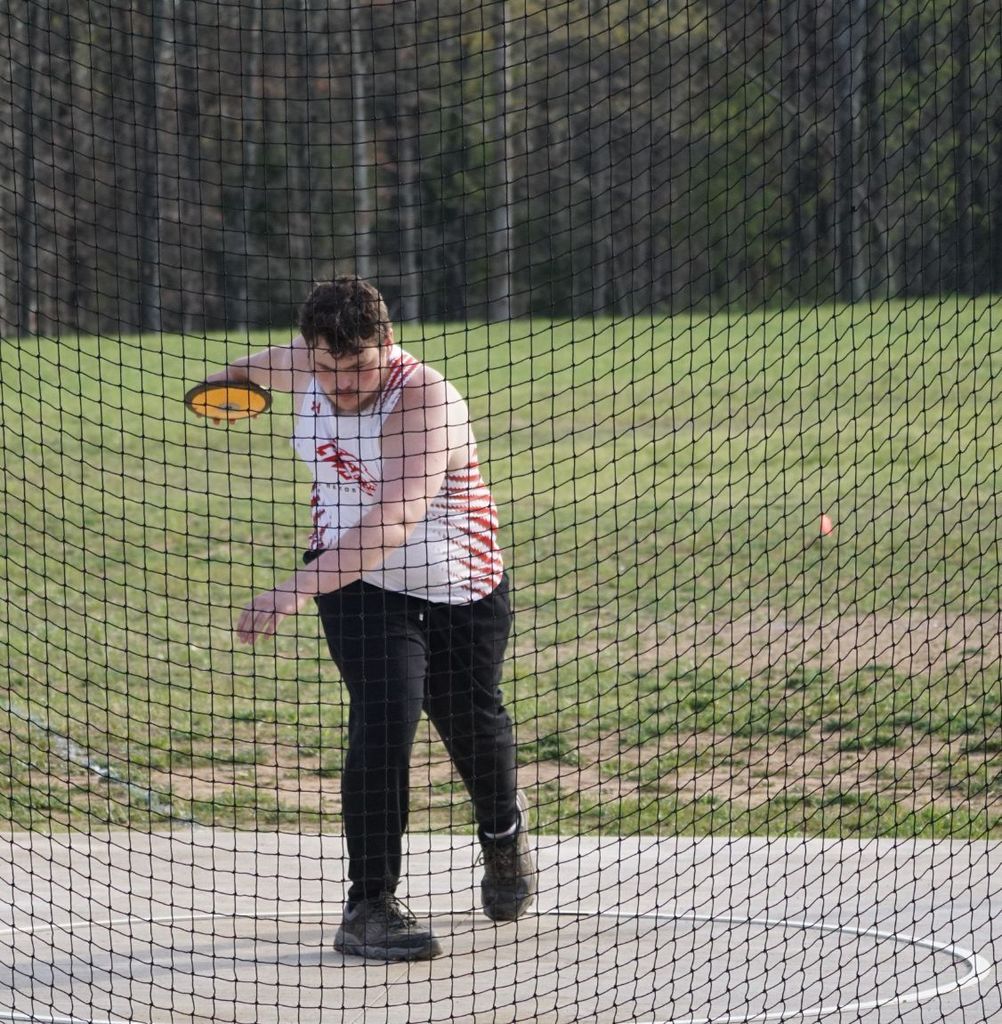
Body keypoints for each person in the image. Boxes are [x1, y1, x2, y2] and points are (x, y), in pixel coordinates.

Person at [199, 275, 536, 961]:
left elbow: (396, 519)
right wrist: (226, 387)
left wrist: (292, 590)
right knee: (385, 714)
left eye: (356, 368)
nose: (341, 385)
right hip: (357, 589)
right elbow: (243, 372)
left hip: (458, 585)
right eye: (327, 367)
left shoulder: (424, 398)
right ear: (311, 352)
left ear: (387, 343)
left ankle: (502, 838)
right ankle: (369, 904)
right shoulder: (306, 364)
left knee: (473, 724)